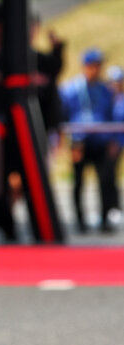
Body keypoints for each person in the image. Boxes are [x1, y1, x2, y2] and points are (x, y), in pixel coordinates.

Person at [60, 48, 118, 233]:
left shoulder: (105, 91)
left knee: (106, 181)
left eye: (99, 65)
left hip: (100, 140)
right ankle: (79, 221)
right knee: (78, 182)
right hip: (80, 141)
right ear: (85, 66)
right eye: (93, 65)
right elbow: (64, 115)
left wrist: (113, 140)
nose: (96, 69)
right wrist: (67, 140)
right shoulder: (71, 89)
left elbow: (111, 115)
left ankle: (106, 219)